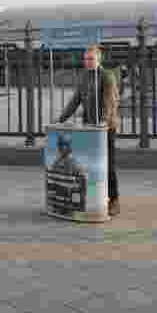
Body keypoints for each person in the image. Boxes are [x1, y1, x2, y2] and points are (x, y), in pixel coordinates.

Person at [56, 45, 121, 215]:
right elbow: (76, 100)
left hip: (105, 128)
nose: (87, 62)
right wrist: (61, 119)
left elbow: (110, 102)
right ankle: (96, 196)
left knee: (108, 164)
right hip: (89, 127)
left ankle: (114, 200)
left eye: (91, 59)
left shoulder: (107, 76)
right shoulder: (84, 77)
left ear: (99, 59)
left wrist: (104, 122)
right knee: (90, 164)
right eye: (85, 59)